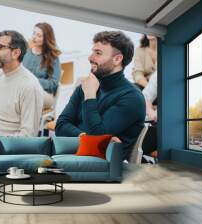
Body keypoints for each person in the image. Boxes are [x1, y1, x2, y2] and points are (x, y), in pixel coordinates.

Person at [55, 31, 146, 160]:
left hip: (101, 166)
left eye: (98, 53)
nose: (90, 58)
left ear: (117, 59)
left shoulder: (132, 98)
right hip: (70, 155)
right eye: (93, 52)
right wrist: (83, 137)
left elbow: (96, 137)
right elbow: (61, 125)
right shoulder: (86, 86)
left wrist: (90, 97)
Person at [23, 22, 61, 109]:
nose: (34, 37)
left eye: (39, 36)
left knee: (27, 95)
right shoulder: (26, 53)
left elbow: (53, 83)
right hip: (26, 92)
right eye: (34, 33)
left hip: (45, 94)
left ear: (46, 39)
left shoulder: (53, 57)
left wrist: (33, 81)